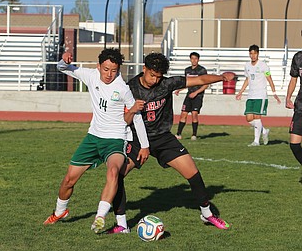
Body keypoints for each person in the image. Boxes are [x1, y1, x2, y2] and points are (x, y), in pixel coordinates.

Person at [106, 52, 235, 235]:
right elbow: (123, 120)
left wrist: (221, 77)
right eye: (152, 75)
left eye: (159, 77)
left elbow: (199, 80)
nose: (155, 80)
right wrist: (134, 109)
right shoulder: (130, 88)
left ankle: (206, 214)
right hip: (136, 139)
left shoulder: (167, 84)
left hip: (163, 138)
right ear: (144, 69)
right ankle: (121, 224)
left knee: (193, 172)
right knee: (117, 175)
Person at [43, 48, 150, 234]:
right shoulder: (91, 76)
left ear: (119, 70)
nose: (109, 74)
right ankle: (60, 212)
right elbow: (62, 68)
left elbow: (137, 116)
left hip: (115, 139)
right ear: (98, 66)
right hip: (92, 138)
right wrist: (63, 60)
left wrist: (145, 146)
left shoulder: (123, 88)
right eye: (106, 69)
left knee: (114, 171)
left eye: (114, 70)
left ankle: (100, 217)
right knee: (69, 180)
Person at [236, 44, 281, 146]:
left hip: (260, 95)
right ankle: (264, 131)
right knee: (248, 118)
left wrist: (274, 93)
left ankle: (256, 141)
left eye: (255, 53)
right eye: (251, 53)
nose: (253, 56)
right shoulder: (247, 66)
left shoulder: (263, 66)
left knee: (257, 117)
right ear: (249, 54)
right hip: (250, 95)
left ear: (258, 54)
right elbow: (247, 79)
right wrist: (240, 92)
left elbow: (269, 79)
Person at [175, 52, 208, 140]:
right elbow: (187, 83)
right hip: (189, 95)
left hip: (198, 96)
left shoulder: (202, 70)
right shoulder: (187, 70)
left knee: (194, 114)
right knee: (183, 114)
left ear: (198, 59)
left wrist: (196, 92)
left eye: (195, 58)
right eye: (192, 58)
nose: (194, 60)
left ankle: (194, 135)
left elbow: (206, 84)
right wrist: (180, 89)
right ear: (190, 59)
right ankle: (178, 134)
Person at [285, 50, 302, 183]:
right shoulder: (298, 57)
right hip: (300, 107)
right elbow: (293, 79)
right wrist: (288, 97)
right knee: (294, 144)